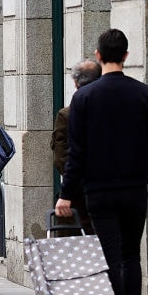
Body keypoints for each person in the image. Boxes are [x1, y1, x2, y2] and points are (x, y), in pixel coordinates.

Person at [55, 29, 148, 295]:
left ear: (99, 55)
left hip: (99, 190)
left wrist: (66, 194)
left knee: (110, 255)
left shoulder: (84, 98)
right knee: (131, 254)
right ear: (126, 56)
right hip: (134, 187)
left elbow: (77, 153)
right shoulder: (142, 93)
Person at [51, 59, 100, 235]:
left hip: (78, 193)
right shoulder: (111, 110)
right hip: (108, 189)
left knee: (75, 241)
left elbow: (61, 158)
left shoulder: (66, 114)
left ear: (75, 82)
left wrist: (70, 188)